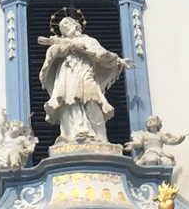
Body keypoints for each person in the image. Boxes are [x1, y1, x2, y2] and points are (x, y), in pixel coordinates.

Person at [37, 12, 131, 148]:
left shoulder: (89, 40)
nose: (65, 27)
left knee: (93, 101)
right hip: (68, 73)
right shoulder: (59, 43)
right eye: (63, 26)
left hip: (86, 72)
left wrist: (119, 60)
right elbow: (53, 54)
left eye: (67, 23)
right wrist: (60, 45)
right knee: (69, 102)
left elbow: (101, 54)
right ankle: (73, 134)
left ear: (76, 25)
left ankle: (100, 138)